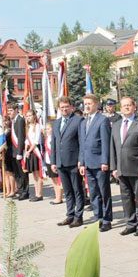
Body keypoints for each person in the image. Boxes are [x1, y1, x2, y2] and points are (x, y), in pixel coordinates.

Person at [111, 96, 138, 236]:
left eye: (129, 105)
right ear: (120, 108)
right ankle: (130, 223)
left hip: (137, 168)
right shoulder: (116, 125)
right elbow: (113, 148)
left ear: (134, 107)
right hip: (121, 168)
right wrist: (114, 167)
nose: (126, 107)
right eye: (123, 105)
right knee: (126, 197)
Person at [78, 94, 113, 231]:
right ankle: (98, 217)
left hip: (99, 163)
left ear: (96, 104)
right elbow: (82, 144)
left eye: (89, 103)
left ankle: (107, 219)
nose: (87, 106)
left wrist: (105, 161)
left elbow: (105, 142)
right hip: (88, 163)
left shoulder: (102, 120)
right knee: (93, 193)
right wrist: (81, 162)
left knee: (104, 192)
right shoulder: (83, 122)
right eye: (85, 103)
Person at [51, 97, 84, 228]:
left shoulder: (78, 120)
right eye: (62, 107)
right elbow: (54, 143)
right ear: (59, 108)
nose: (64, 109)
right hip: (60, 163)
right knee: (68, 191)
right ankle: (70, 215)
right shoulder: (56, 122)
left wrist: (81, 160)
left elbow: (82, 142)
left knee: (77, 190)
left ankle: (78, 216)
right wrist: (53, 161)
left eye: (66, 107)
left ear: (71, 107)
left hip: (73, 161)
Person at [8, 103, 29, 200]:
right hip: (13, 151)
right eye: (8, 111)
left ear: (16, 110)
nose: (9, 113)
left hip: (18, 151)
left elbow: (21, 137)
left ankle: (25, 192)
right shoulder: (13, 121)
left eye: (11, 111)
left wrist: (20, 152)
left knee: (22, 173)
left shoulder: (20, 120)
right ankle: (20, 191)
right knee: (17, 173)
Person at [23, 109, 44, 202]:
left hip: (35, 151)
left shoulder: (38, 126)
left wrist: (29, 150)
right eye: (27, 116)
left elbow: (36, 141)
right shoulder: (28, 127)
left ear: (34, 116)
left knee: (37, 173)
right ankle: (36, 193)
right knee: (34, 175)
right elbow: (27, 141)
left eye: (30, 115)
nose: (28, 117)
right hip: (29, 151)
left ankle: (39, 194)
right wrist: (26, 150)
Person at [43, 122, 63, 205]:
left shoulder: (54, 138)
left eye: (49, 128)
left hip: (53, 161)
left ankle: (59, 197)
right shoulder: (47, 137)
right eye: (46, 129)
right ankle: (56, 196)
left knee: (57, 180)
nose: (47, 130)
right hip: (48, 160)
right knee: (53, 180)